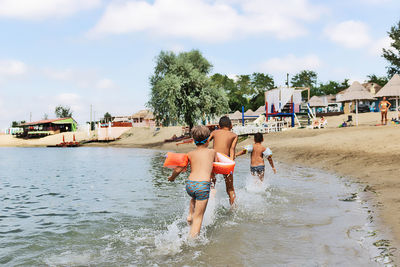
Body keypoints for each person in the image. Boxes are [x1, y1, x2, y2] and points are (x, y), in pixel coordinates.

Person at [168, 125, 216, 238]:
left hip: (190, 185)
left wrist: (172, 178)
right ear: (208, 140)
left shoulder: (190, 154)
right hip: (203, 185)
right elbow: (216, 166)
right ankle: (192, 243)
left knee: (194, 197)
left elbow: (179, 168)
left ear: (193, 140)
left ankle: (190, 215)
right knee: (198, 217)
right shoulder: (212, 152)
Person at [208, 116, 238, 206]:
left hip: (214, 161)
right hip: (226, 163)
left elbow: (205, 142)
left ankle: (210, 206)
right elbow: (232, 149)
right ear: (231, 126)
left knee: (211, 184)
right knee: (230, 188)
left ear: (218, 126)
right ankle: (233, 208)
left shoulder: (214, 132)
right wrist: (231, 164)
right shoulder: (234, 135)